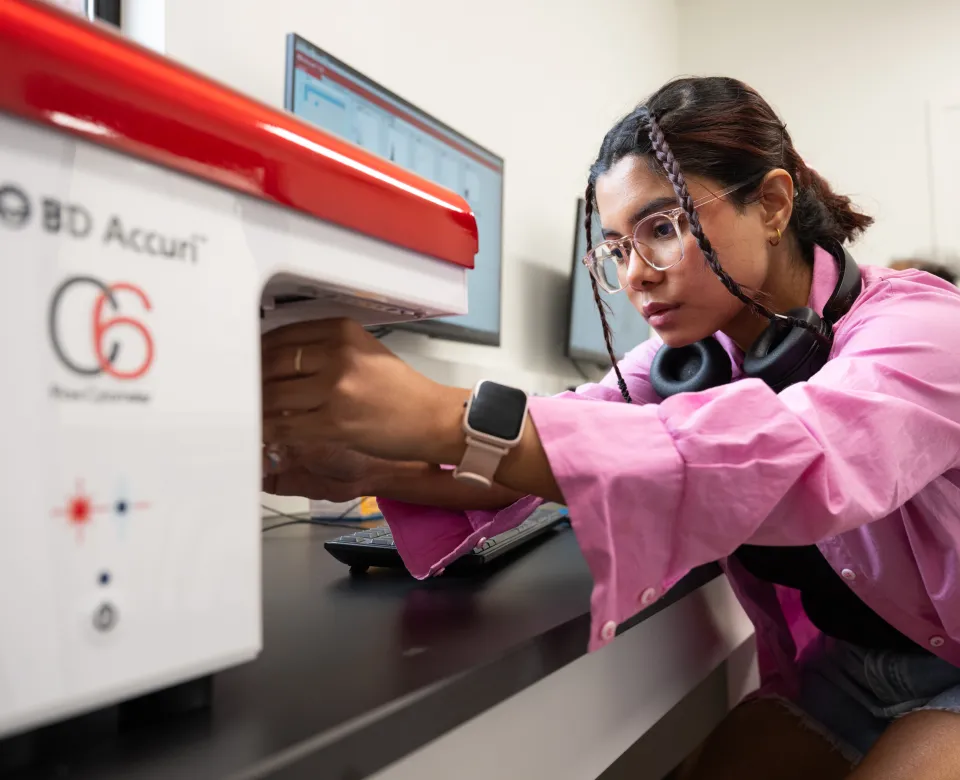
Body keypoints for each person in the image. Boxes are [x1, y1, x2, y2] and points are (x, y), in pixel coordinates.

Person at [261, 77, 960, 779]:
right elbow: (561, 438)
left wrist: (441, 413)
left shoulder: (922, 329)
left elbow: (792, 458)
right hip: (856, 670)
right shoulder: (695, 360)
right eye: (617, 249)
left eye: (662, 229)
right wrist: (372, 463)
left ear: (773, 204)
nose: (635, 277)